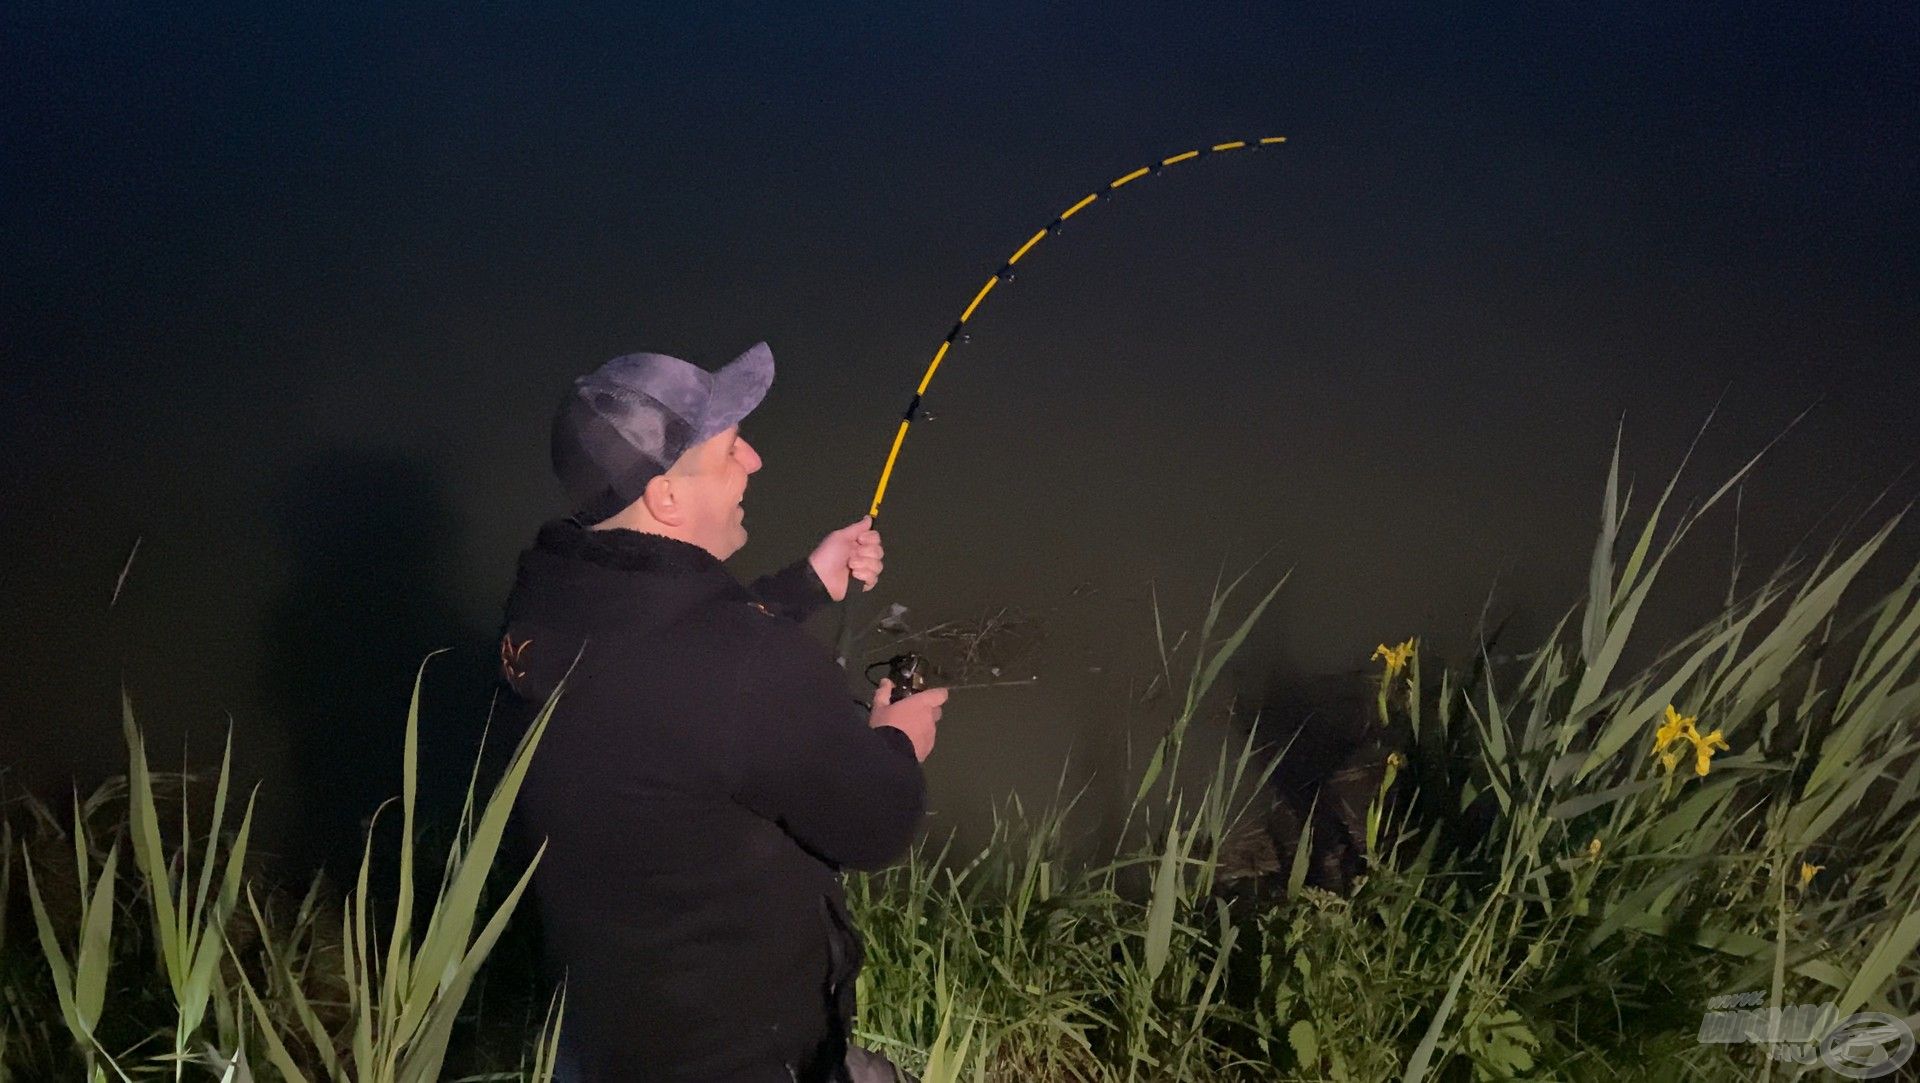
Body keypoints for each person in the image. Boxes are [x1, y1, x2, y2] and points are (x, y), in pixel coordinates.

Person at [495, 342, 945, 1082]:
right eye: (733, 446)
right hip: (746, 1056)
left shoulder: (542, 604)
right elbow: (877, 824)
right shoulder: (751, 666)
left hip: (601, 1042)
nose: (756, 461)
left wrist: (803, 585)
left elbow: (659, 649)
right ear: (667, 498)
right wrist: (897, 741)